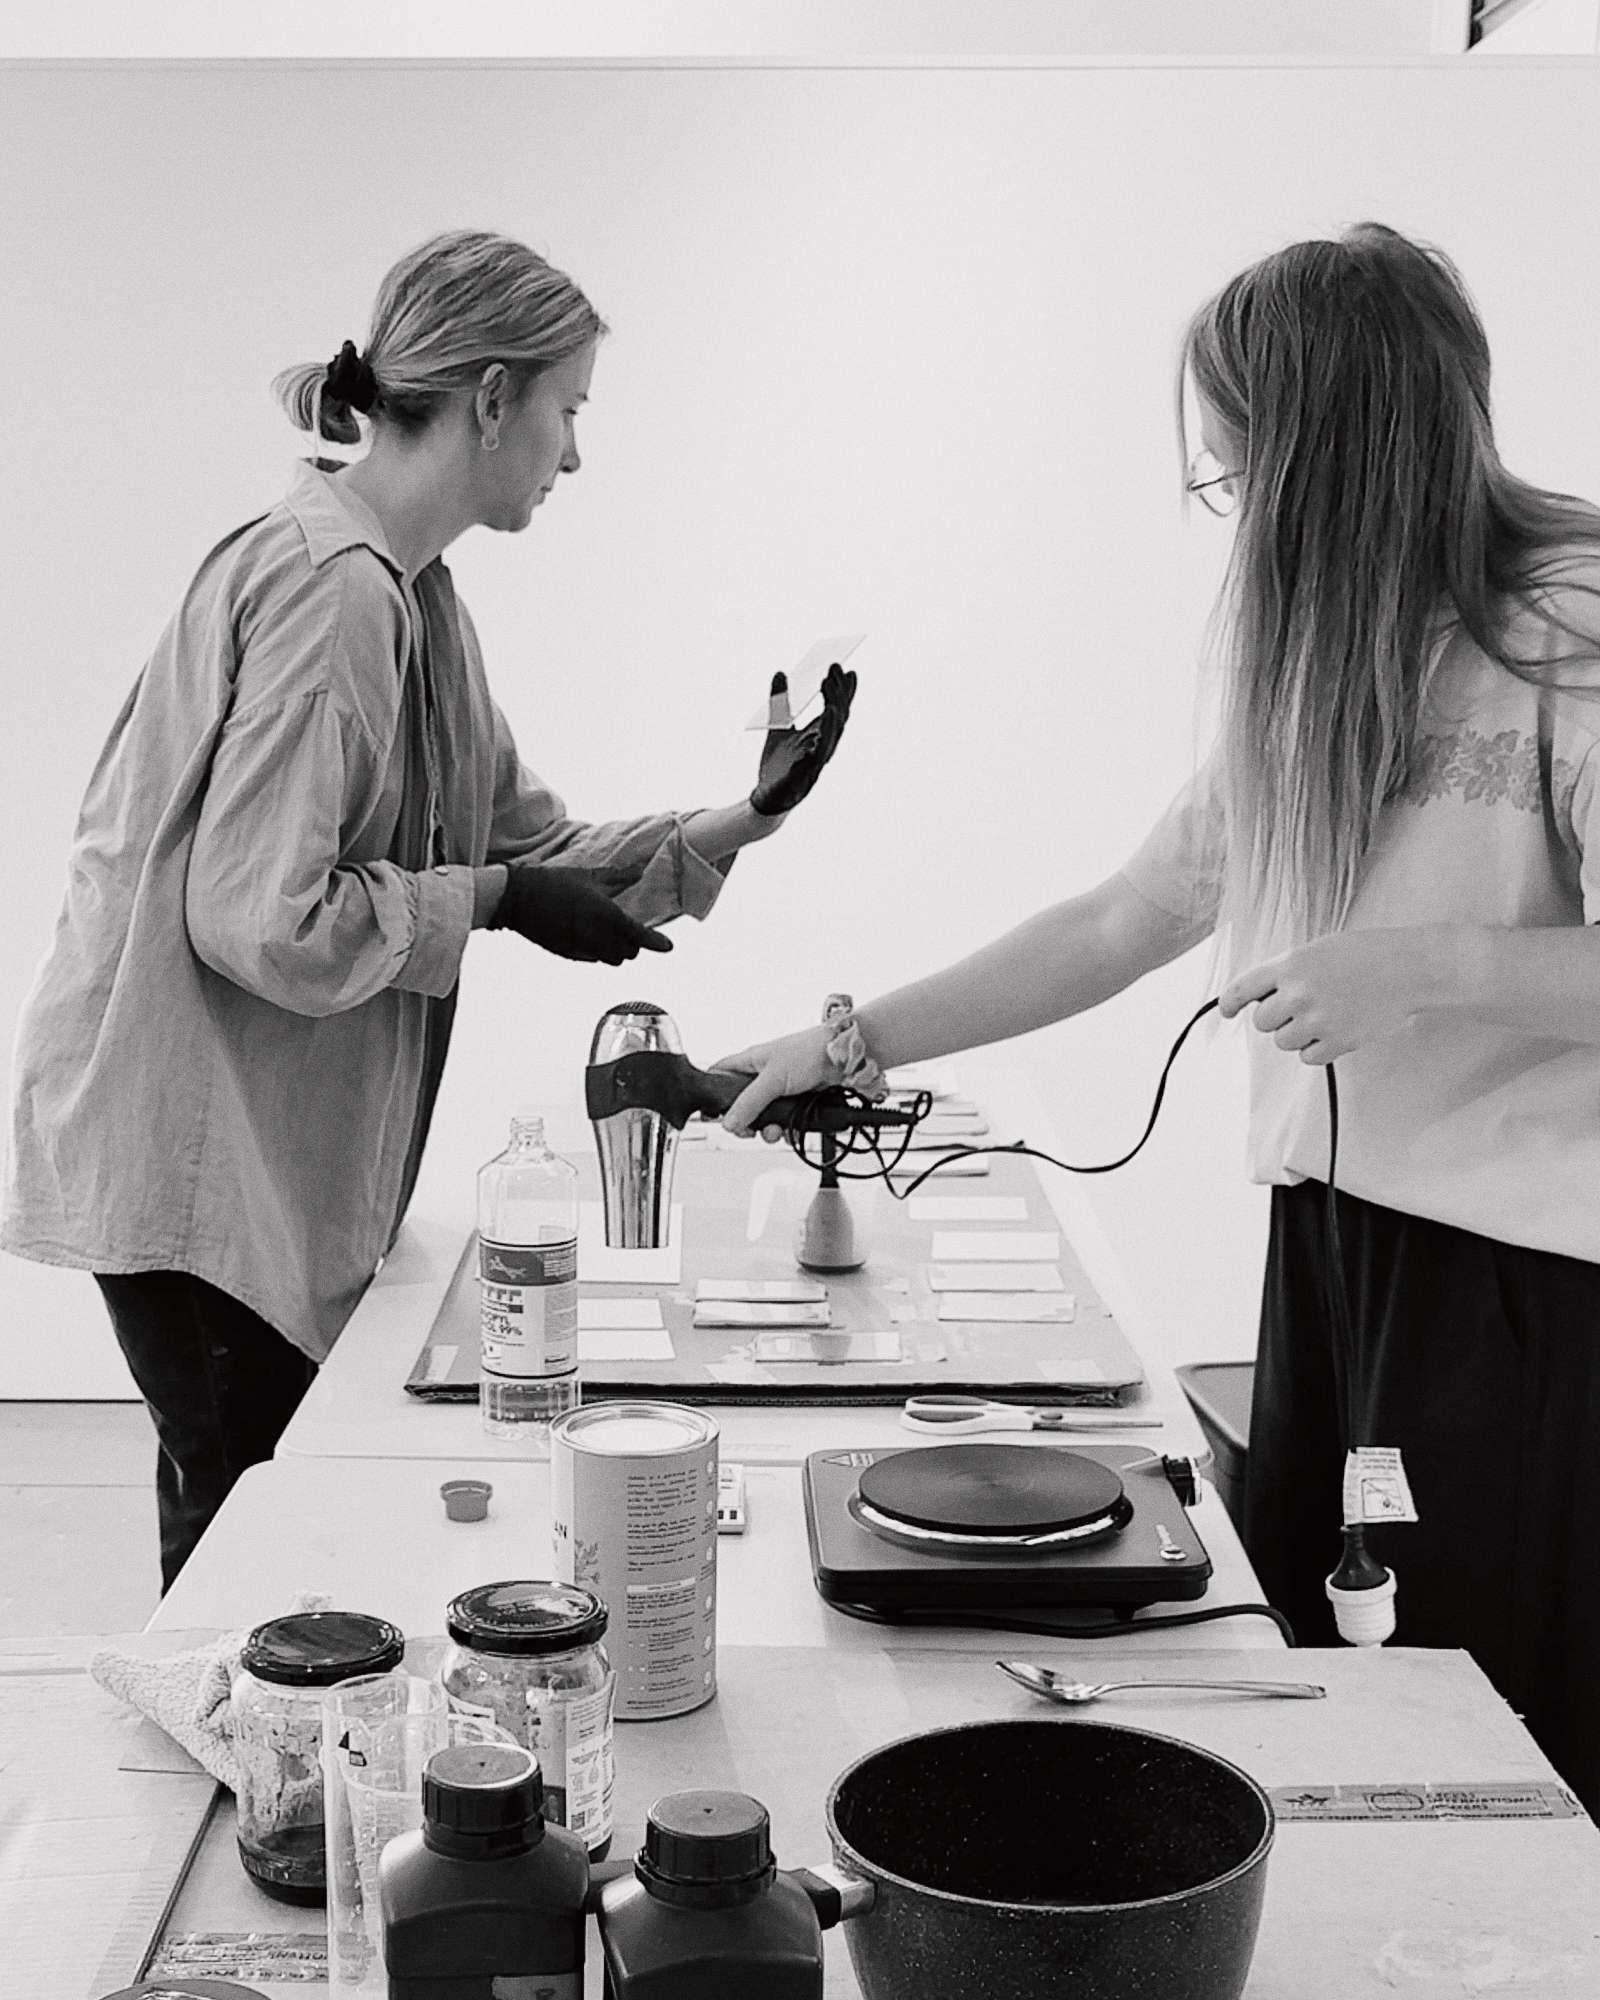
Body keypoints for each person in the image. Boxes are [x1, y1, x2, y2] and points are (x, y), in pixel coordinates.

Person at [714, 222, 1600, 1814]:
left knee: (1493, 1714)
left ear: (1340, 450)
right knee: (1326, 1671)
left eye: (1244, 470)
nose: (1239, 514)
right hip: (1339, 1246)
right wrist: (851, 1041)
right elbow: (1127, 915)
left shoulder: (1577, 627)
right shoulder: (1324, 653)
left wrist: (1426, 966)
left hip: (1528, 1293)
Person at [1, 228, 855, 1592]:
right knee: (250, 1582)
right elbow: (258, 917)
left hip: (250, 1163)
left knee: (263, 1561)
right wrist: (497, 900)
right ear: (495, 396)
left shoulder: (416, 598)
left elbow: (536, 848)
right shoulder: (331, 591)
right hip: (194, 1165)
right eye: (570, 411)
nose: (573, 455)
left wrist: (745, 814)